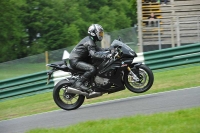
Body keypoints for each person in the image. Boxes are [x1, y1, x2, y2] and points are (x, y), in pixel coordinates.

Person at [69, 24, 111, 93]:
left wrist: (110, 49)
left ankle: (94, 83)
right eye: (100, 33)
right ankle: (79, 83)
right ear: (94, 33)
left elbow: (99, 49)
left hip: (80, 59)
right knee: (92, 69)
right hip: (75, 61)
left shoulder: (91, 41)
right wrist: (106, 55)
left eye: (101, 33)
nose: (101, 35)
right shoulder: (89, 42)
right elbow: (94, 54)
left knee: (97, 64)